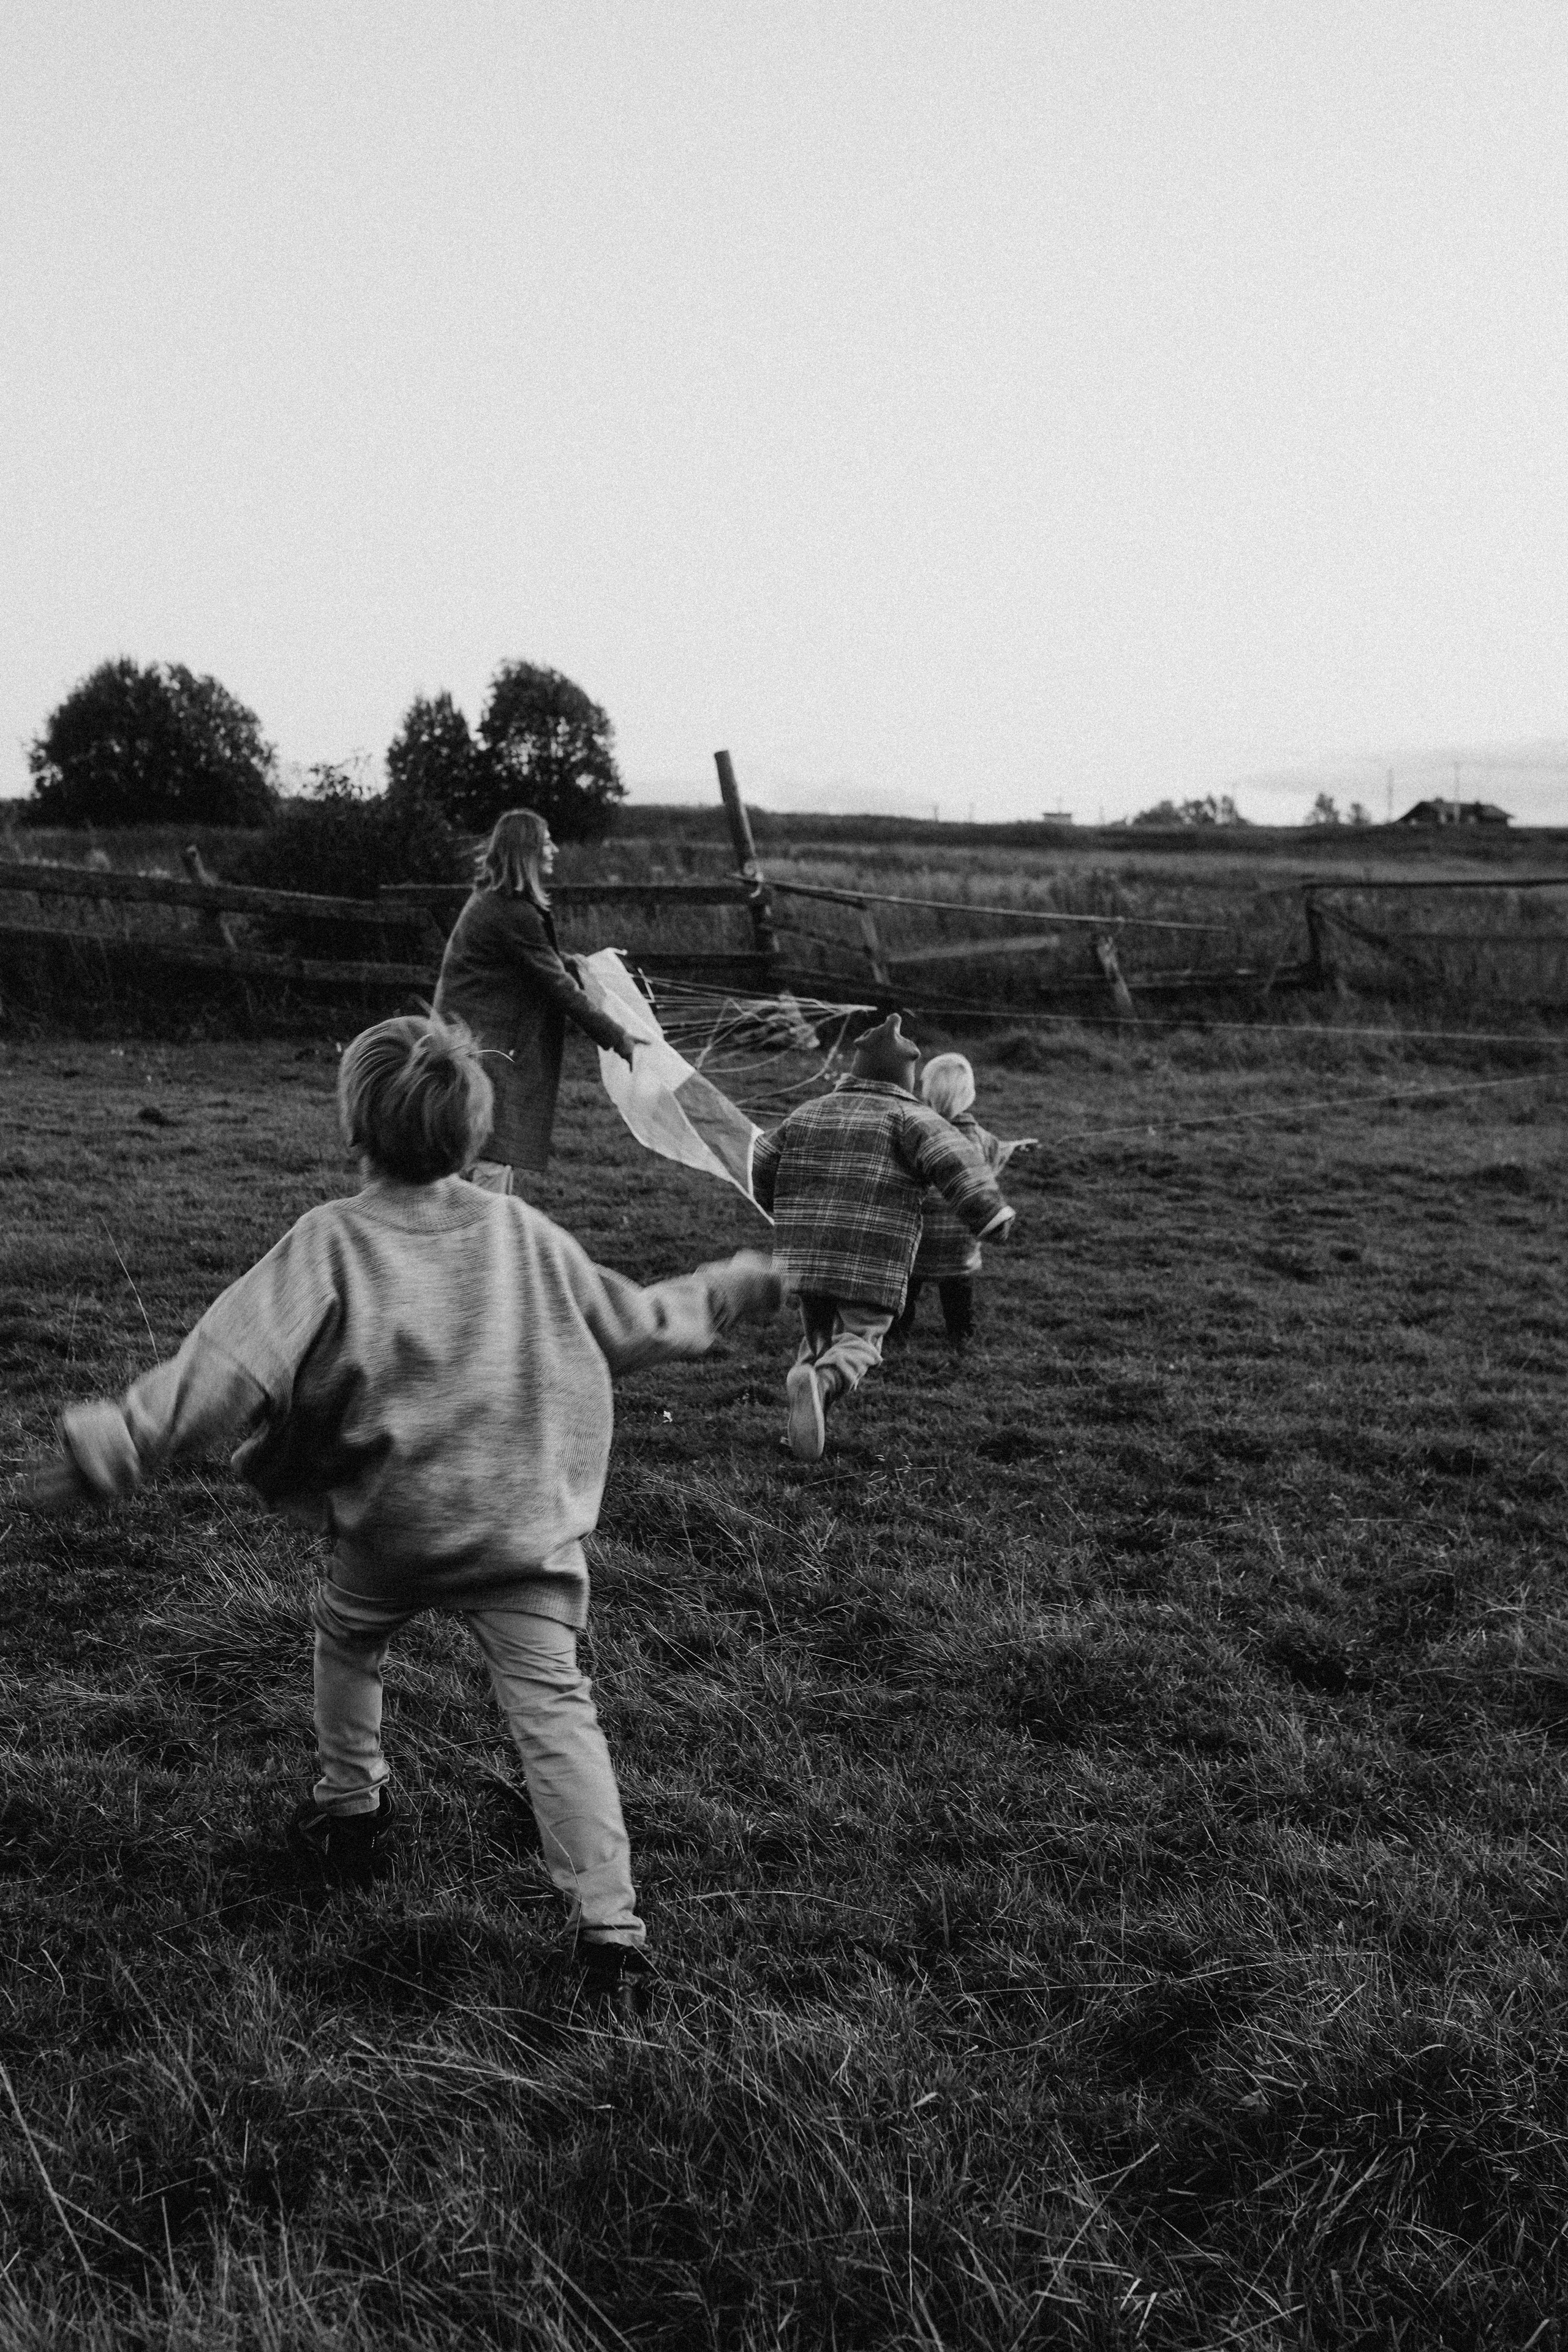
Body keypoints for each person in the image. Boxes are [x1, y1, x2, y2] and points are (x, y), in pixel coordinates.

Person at [18, 1012, 782, 2008]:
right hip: (521, 1530)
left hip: (394, 1528)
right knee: (554, 1711)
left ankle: (351, 1807)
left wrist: (114, 1446)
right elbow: (634, 1326)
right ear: (474, 1137)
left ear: (355, 1130)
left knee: (348, 1637)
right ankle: (610, 1929)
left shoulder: (328, 1245)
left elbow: (222, 1374)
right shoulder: (526, 1234)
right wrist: (722, 1290)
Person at [751, 1013, 1016, 1463]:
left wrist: (777, 1206)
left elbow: (762, 1156)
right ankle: (824, 1381)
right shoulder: (911, 1117)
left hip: (805, 1257)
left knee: (817, 1337)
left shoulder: (807, 1112)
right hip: (870, 1260)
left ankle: (804, 1409)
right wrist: (990, 1215)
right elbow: (957, 1161)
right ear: (905, 1079)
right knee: (861, 1340)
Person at [432, 807, 638, 1191]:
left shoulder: (496, 901)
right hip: (482, 1044)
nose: (555, 850)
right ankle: (483, 1240)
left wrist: (563, 962)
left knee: (481, 1143)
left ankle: (483, 1236)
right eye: (547, 843)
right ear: (527, 852)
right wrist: (616, 1036)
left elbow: (531, 961)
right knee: (491, 1147)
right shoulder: (511, 912)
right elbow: (557, 988)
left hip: (468, 1038)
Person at [892, 1053, 1036, 1349]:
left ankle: (896, 1333)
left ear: (926, 1092)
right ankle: (961, 1335)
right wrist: (1012, 1148)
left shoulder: (915, 1132)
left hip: (916, 1240)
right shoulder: (980, 1139)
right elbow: (989, 1167)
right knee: (957, 1288)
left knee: (907, 1286)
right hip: (959, 1241)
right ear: (969, 1096)